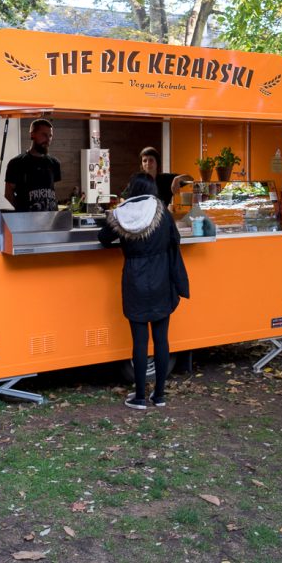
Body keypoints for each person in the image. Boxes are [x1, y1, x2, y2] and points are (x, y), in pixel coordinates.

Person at [99, 173, 189, 409]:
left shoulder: (120, 214)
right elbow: (175, 237)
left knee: (139, 342)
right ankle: (159, 395)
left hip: (134, 281)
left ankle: (139, 397)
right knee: (161, 340)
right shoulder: (161, 211)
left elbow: (103, 238)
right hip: (161, 280)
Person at [4, 119, 61, 212]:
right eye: (44, 135)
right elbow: (8, 194)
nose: (48, 139)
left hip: (50, 221)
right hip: (27, 221)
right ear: (32, 134)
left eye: (50, 136)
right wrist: (22, 211)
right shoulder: (16, 163)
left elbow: (53, 192)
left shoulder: (54, 163)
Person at [122, 146, 189, 207]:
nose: (147, 163)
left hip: (161, 218)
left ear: (157, 162)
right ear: (142, 164)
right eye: (144, 161)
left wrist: (177, 179)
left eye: (151, 160)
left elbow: (190, 178)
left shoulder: (166, 179)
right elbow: (122, 198)